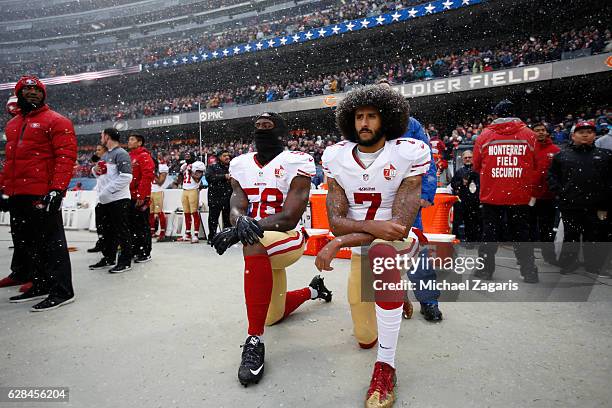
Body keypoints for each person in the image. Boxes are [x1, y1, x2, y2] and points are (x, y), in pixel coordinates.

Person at [315, 85, 430, 407]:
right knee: (365, 337)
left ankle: (386, 366)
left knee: (383, 253)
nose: (364, 123)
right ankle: (396, 292)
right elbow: (335, 220)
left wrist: (341, 240)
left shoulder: (409, 151)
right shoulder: (335, 157)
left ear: (387, 119)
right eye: (359, 116)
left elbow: (398, 227)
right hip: (362, 239)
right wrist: (358, 229)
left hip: (398, 241)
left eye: (372, 116)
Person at [210, 112, 332, 387]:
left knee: (252, 242)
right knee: (273, 315)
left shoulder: (296, 161)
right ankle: (314, 290)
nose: (261, 130)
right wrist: (239, 220)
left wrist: (241, 229)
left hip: (289, 237)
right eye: (258, 126)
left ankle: (254, 340)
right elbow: (237, 205)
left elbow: (289, 216)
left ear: (282, 133)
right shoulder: (241, 164)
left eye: (268, 126)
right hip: (259, 240)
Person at [0, 75, 77, 311]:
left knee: (51, 244)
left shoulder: (57, 121)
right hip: (18, 194)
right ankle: (41, 284)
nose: (32, 93)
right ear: (19, 94)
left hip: (41, 194)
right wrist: (4, 190)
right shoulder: (12, 125)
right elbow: (11, 162)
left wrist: (57, 189)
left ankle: (62, 290)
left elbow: (65, 157)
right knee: (28, 244)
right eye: (27, 90)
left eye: (37, 90)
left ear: (43, 95)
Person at [472, 100, 539, 283]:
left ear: (495, 115)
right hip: (519, 194)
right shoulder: (530, 135)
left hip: (491, 195)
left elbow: (476, 165)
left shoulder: (484, 136)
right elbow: (535, 164)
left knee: (489, 234)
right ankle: (529, 272)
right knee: (522, 234)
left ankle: (486, 270)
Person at [547, 121, 612, 276]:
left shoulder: (606, 156)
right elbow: (552, 177)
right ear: (573, 135)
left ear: (594, 135)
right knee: (571, 236)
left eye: (589, 131)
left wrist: (606, 203)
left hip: (596, 206)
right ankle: (569, 263)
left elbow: (610, 181)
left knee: (595, 236)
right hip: (570, 205)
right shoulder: (562, 156)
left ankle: (593, 265)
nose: (585, 134)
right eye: (581, 131)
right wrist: (561, 193)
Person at [88, 128, 134, 273]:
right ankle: (108, 257)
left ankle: (125, 261)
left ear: (107, 136)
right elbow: (103, 176)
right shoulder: (106, 154)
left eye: (102, 136)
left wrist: (106, 192)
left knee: (121, 231)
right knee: (107, 231)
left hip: (118, 199)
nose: (101, 138)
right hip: (107, 200)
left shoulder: (121, 153)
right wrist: (95, 170)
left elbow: (126, 177)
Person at [0, 93, 32, 292]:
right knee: (18, 233)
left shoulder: (35, 125)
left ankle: (36, 274)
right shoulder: (13, 128)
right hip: (16, 189)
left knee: (32, 235)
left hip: (30, 187)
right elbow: (11, 163)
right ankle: (20, 271)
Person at [530, 123, 561, 265]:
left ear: (547, 132)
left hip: (548, 197)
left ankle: (549, 256)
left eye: (543, 130)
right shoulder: (528, 150)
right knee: (528, 226)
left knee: (547, 228)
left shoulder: (556, 150)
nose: (540, 132)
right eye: (537, 130)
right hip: (530, 196)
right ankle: (526, 257)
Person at [127, 133, 155, 263]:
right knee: (132, 225)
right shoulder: (129, 156)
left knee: (142, 225)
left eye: (132, 139)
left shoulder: (144, 156)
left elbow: (147, 176)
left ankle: (145, 252)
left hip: (140, 197)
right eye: (129, 139)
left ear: (139, 143)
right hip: (129, 196)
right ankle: (135, 249)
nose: (129, 141)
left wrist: (141, 195)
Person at [450, 150, 481, 247]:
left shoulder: (478, 170)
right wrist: (461, 183)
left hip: (476, 202)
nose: (467, 159)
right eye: (465, 158)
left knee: (474, 223)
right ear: (463, 159)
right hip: (463, 201)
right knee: (459, 222)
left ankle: (474, 242)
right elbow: (453, 184)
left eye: (469, 157)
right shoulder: (459, 172)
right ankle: (458, 241)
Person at [205, 150, 232, 242]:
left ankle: (227, 238)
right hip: (215, 198)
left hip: (228, 198)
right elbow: (209, 178)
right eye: (224, 156)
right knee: (213, 219)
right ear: (219, 157)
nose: (227, 157)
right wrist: (224, 177)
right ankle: (212, 237)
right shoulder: (212, 167)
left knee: (227, 220)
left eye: (228, 155)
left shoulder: (231, 167)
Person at [178, 159, 206, 243]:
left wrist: (190, 171)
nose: (187, 156)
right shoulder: (185, 165)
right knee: (186, 213)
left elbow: (197, 179)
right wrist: (181, 171)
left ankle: (196, 235)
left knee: (194, 212)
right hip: (185, 190)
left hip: (193, 190)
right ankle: (188, 233)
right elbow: (179, 180)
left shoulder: (198, 165)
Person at [88, 144, 109, 253]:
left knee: (108, 224)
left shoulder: (111, 161)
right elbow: (98, 176)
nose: (97, 152)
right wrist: (94, 168)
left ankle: (109, 246)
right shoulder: (99, 163)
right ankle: (101, 242)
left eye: (99, 150)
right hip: (100, 197)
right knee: (99, 223)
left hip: (110, 197)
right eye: (96, 149)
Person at [150, 154, 169, 242]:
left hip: (158, 191)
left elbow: (160, 182)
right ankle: (152, 231)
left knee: (159, 212)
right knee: (150, 213)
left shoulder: (162, 168)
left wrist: (152, 173)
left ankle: (162, 233)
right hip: (149, 191)